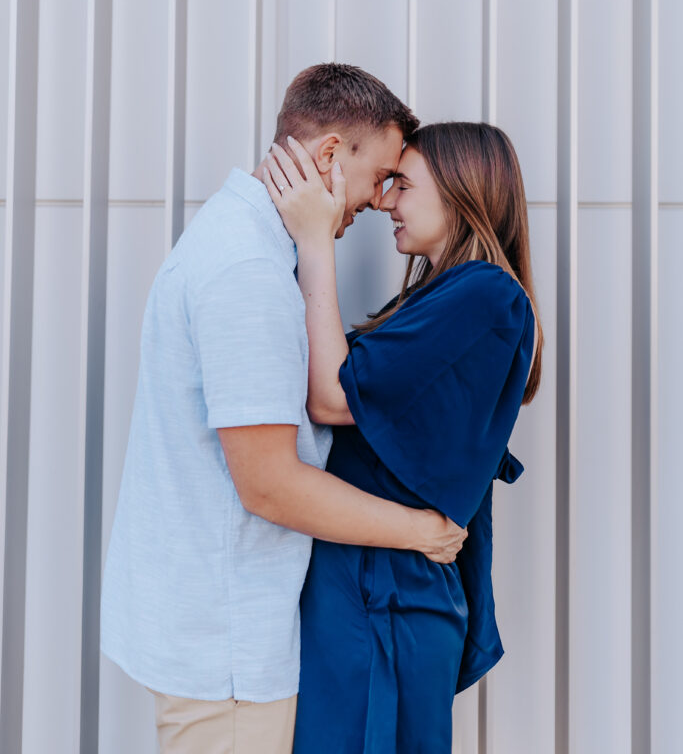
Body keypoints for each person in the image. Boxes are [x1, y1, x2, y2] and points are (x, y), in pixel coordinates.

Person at [100, 64, 467, 754]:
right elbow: (268, 482)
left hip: (211, 624)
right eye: (381, 174)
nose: (381, 199)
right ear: (330, 155)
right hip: (227, 648)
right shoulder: (248, 274)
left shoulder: (240, 242)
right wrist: (420, 532)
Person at [263, 121, 543, 754]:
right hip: (370, 580)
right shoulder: (442, 296)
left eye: (403, 185)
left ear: (459, 191)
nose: (385, 200)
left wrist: (315, 242)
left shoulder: (485, 294)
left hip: (385, 591)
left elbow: (334, 397)